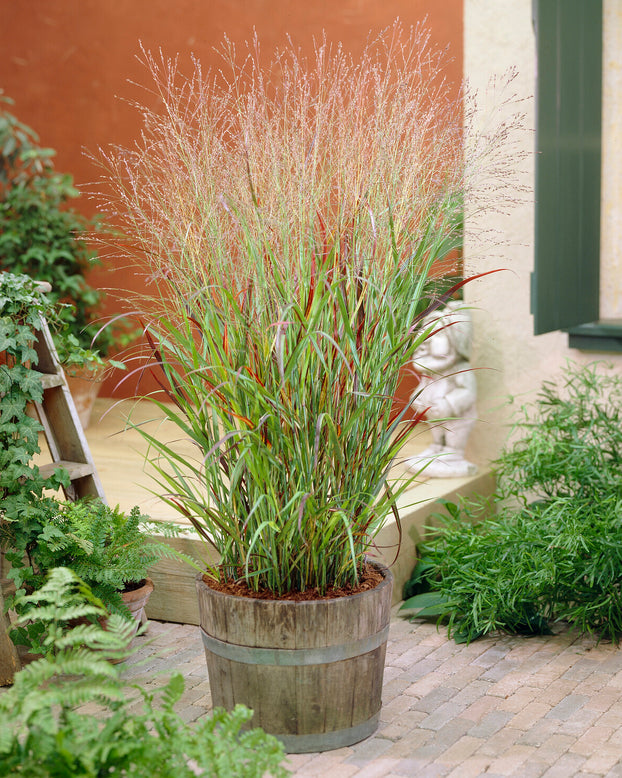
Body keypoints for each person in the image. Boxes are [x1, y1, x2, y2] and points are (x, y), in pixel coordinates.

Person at [406, 301, 478, 477]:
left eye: (438, 335)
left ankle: (453, 454)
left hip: (455, 418)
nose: (428, 342)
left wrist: (449, 403)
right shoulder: (431, 370)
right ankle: (437, 448)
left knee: (453, 433)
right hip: (435, 415)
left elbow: (467, 391)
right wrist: (417, 398)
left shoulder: (459, 369)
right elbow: (425, 385)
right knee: (438, 431)